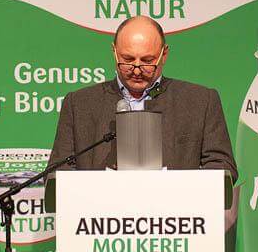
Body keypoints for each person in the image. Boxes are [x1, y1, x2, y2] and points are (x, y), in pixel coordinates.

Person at [48, 15, 237, 180]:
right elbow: (58, 173)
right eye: (128, 60)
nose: (136, 70)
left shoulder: (200, 101)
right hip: (100, 218)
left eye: (147, 61)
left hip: (174, 217)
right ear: (114, 52)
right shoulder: (79, 104)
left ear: (164, 55)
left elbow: (222, 168)